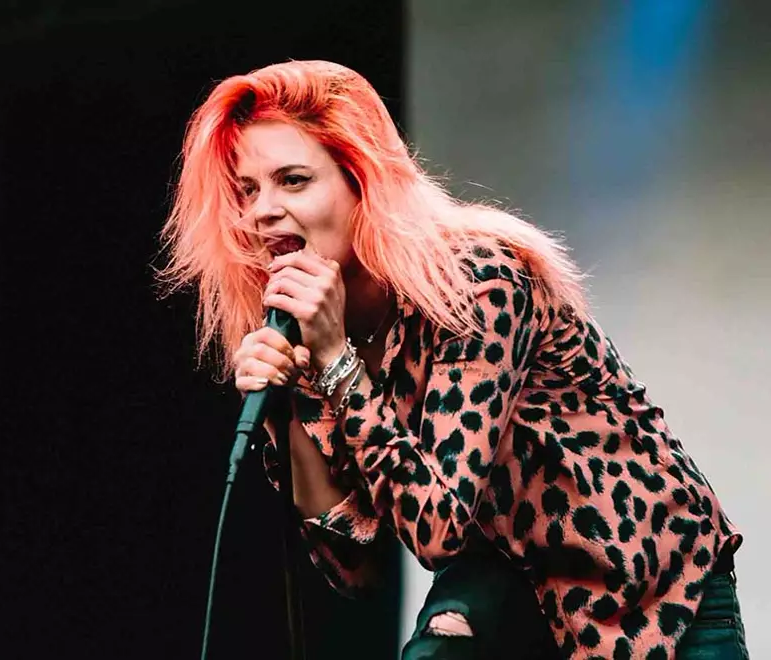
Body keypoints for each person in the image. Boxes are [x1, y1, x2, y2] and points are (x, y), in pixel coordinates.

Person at [158, 60, 748, 659]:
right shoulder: (313, 327)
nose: (261, 211)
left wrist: (338, 362)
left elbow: (436, 527)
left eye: (293, 180)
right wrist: (283, 413)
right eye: (247, 190)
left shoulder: (479, 281)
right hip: (514, 584)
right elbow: (357, 570)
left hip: (654, 587)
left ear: (363, 181)